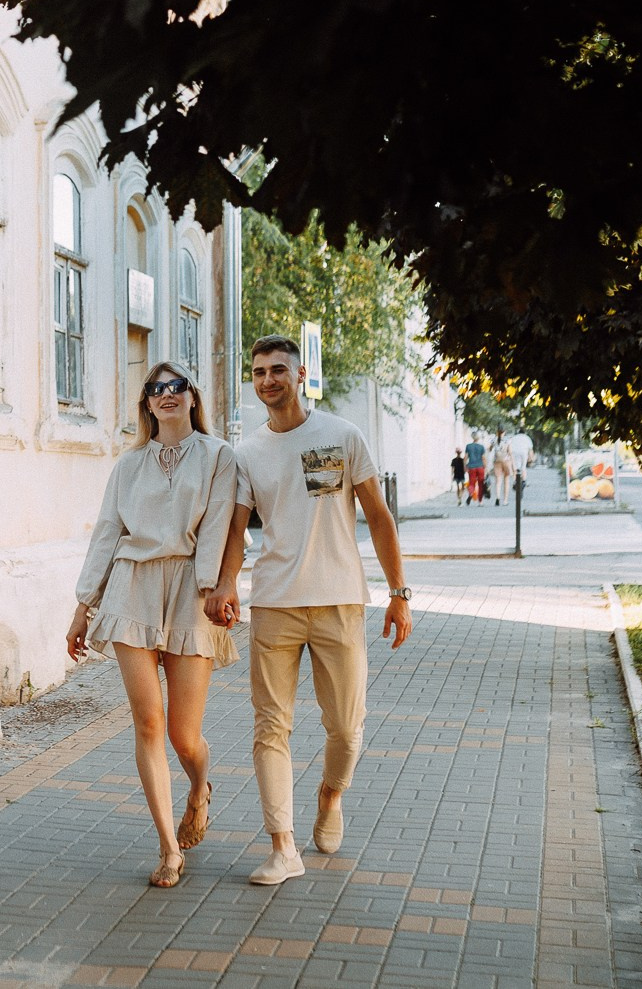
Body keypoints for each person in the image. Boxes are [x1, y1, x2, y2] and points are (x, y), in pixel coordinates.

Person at [206, 336, 412, 886]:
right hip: (273, 604)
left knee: (345, 728)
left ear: (300, 376)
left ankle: (330, 794)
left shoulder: (341, 436)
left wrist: (399, 592)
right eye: (258, 372)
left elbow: (379, 517)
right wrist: (226, 584)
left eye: (278, 370)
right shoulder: (246, 453)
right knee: (271, 727)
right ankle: (282, 845)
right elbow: (235, 528)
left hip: (340, 601)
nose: (268, 379)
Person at [67, 361, 240, 889]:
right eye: (155, 389)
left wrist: (213, 591)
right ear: (147, 403)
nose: (166, 395)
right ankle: (168, 847)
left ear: (192, 397)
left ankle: (199, 789)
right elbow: (106, 532)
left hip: (193, 588)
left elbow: (218, 525)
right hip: (131, 588)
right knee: (148, 725)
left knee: (184, 736)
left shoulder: (218, 457)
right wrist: (83, 605)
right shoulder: (128, 466)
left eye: (176, 387)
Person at [490, 429, 515, 506]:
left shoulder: (494, 440)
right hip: (506, 461)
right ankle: (505, 500)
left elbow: (490, 449)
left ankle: (497, 497)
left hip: (497, 461)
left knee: (498, 481)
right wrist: (513, 465)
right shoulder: (508, 440)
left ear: (497, 432)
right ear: (504, 432)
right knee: (506, 481)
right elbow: (510, 452)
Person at [463, 432, 487, 504]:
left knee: (471, 483)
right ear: (478, 438)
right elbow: (483, 458)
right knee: (480, 484)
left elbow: (466, 457)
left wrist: (464, 466)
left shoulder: (468, 446)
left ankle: (470, 494)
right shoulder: (481, 447)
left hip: (471, 467)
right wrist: (486, 467)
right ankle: (480, 501)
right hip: (480, 467)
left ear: (472, 437)